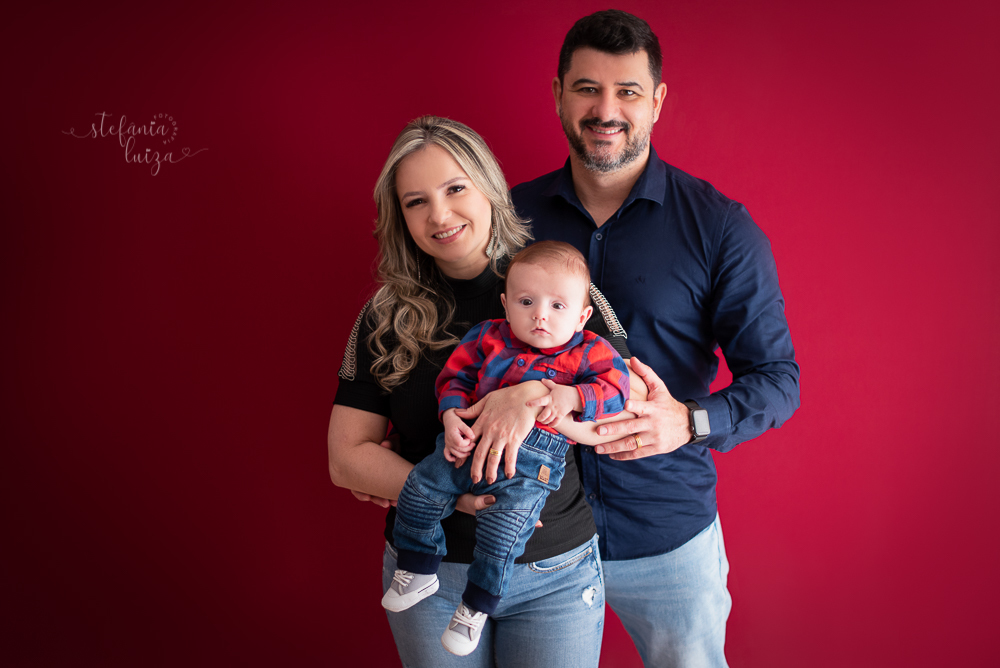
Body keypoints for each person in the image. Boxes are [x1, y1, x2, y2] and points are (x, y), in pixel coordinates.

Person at [494, 10, 801, 668]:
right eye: (587, 89)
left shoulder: (720, 227)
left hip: (667, 542)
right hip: (531, 537)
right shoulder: (507, 221)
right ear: (558, 94)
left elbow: (779, 379)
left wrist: (687, 422)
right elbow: (463, 349)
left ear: (657, 101)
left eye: (627, 92)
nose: (606, 111)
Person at [327, 116, 644, 668]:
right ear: (399, 216)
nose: (440, 215)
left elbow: (627, 408)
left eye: (455, 189)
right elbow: (345, 459)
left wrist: (530, 395)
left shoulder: (559, 284)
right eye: (416, 201)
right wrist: (450, 496)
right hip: (427, 574)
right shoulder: (384, 315)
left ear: (489, 188)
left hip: (554, 573)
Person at [382, 241, 630, 656]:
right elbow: (455, 379)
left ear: (582, 316)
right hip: (467, 441)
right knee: (421, 488)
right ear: (506, 304)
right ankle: (417, 566)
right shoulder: (487, 336)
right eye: (526, 302)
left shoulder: (589, 350)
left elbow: (618, 391)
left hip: (531, 464)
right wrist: (450, 416)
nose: (540, 315)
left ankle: (476, 606)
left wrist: (573, 396)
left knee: (502, 533)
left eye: (557, 306)